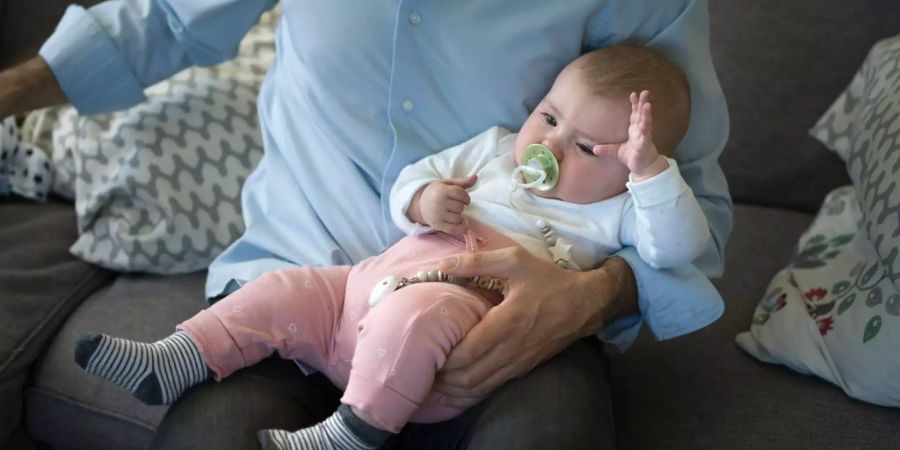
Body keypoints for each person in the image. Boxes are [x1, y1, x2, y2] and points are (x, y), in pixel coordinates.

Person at [0, 1, 730, 448]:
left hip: (505, 324)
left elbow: (687, 204)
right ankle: (180, 354)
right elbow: (161, 21)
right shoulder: (476, 155)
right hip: (305, 282)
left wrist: (590, 299)